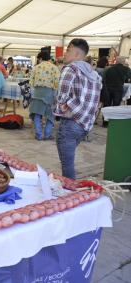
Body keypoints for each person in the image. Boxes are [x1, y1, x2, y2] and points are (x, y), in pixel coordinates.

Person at [54, 38, 102, 179]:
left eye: (68, 50)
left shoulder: (70, 69)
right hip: (85, 125)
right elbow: (96, 100)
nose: (65, 53)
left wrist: (67, 109)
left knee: (67, 165)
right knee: (68, 161)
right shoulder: (95, 75)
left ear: (76, 54)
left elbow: (61, 97)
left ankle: (71, 193)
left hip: (70, 124)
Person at [29, 51, 60, 140]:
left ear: (40, 58)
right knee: (50, 115)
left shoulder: (36, 68)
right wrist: (55, 95)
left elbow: (31, 82)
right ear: (49, 58)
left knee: (37, 114)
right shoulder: (54, 68)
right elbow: (57, 83)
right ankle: (47, 134)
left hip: (37, 92)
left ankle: (38, 134)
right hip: (49, 93)